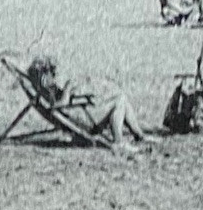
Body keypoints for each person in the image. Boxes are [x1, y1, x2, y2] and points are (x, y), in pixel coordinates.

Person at [23, 55, 154, 151]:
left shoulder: (46, 87)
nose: (55, 73)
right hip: (82, 119)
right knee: (119, 101)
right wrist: (69, 88)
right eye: (52, 71)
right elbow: (60, 104)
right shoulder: (48, 87)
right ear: (44, 74)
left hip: (79, 114)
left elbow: (60, 103)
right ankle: (119, 141)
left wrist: (77, 94)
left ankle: (139, 135)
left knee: (122, 98)